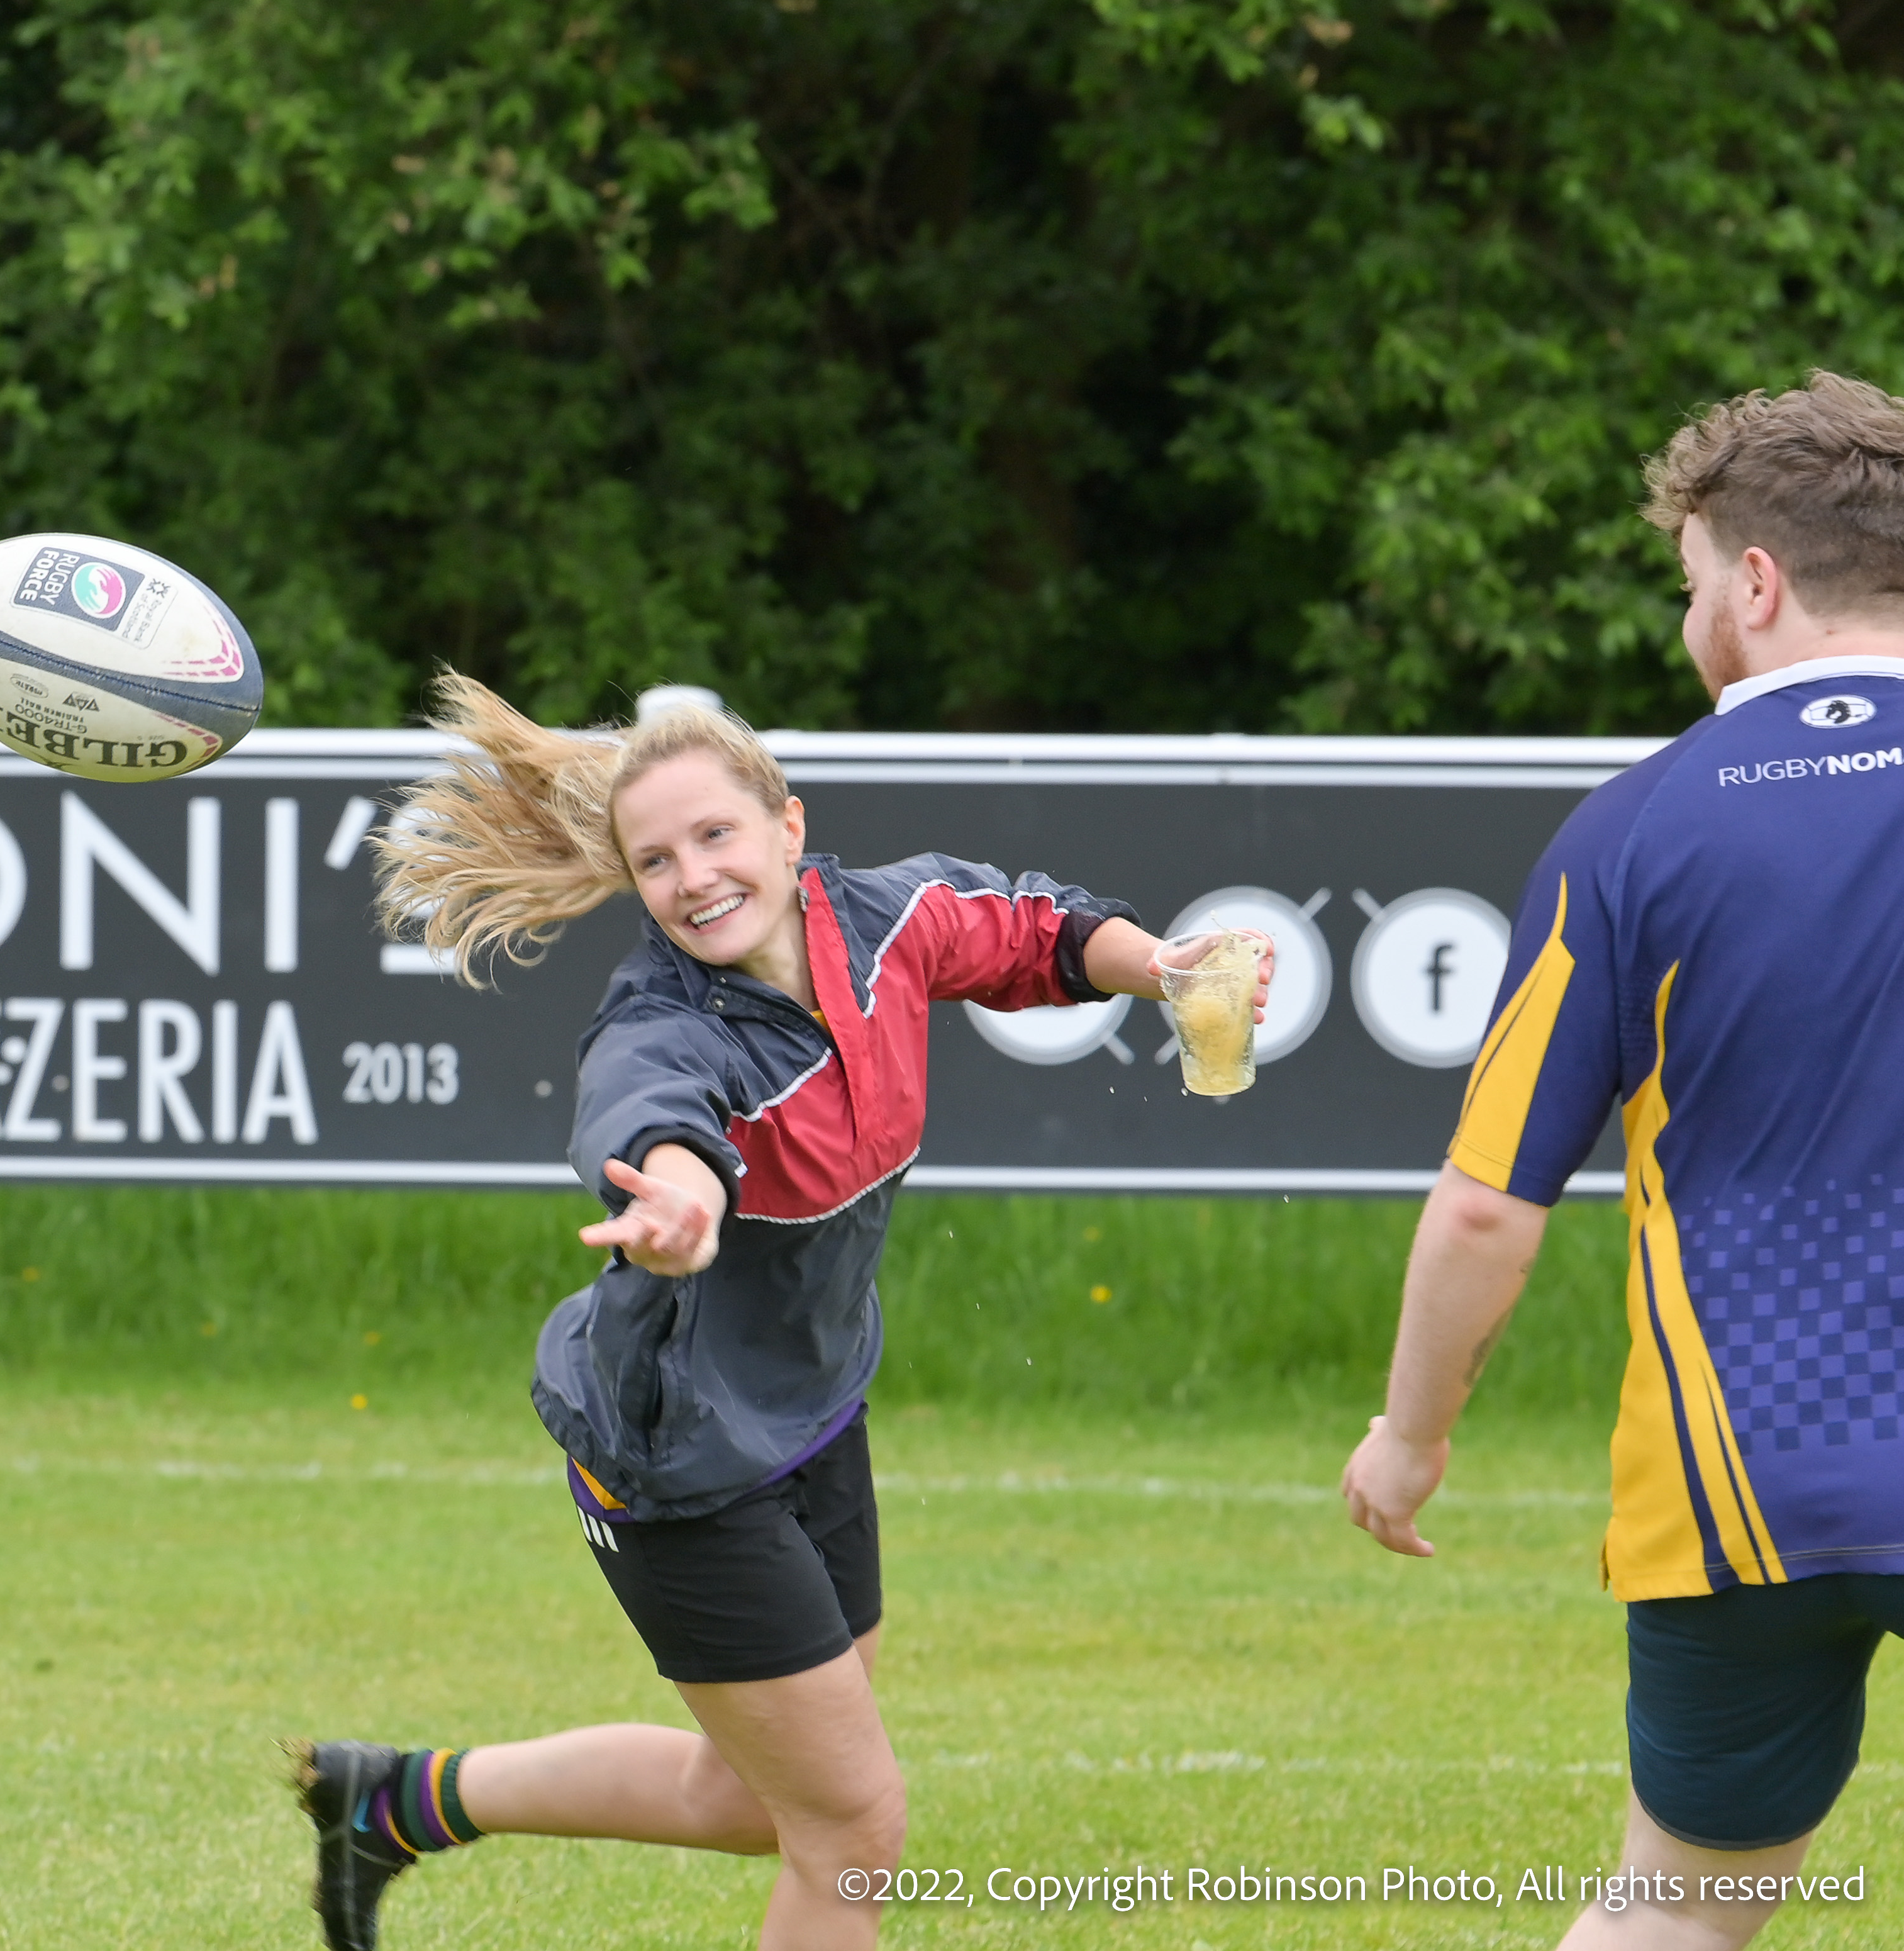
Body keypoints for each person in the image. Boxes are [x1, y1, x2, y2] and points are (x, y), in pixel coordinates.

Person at [289, 674, 1271, 1951]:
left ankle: (396, 1802)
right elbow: (653, 1118)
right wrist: (679, 1201)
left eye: (716, 836)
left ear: (789, 825)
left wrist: (1163, 967)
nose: (693, 878)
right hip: (680, 1457)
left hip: (813, 1416)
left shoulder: (887, 923)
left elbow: (1034, 931)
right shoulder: (662, 1020)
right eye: (656, 860)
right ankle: (394, 1804)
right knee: (852, 1830)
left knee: (761, 1801)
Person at [1342, 371, 1904, 1948]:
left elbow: (1485, 1209)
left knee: (1679, 1914)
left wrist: (1409, 1438)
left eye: (1690, 582)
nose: (1689, 619)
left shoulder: (1632, 830)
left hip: (1737, 1487)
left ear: (1756, 584)